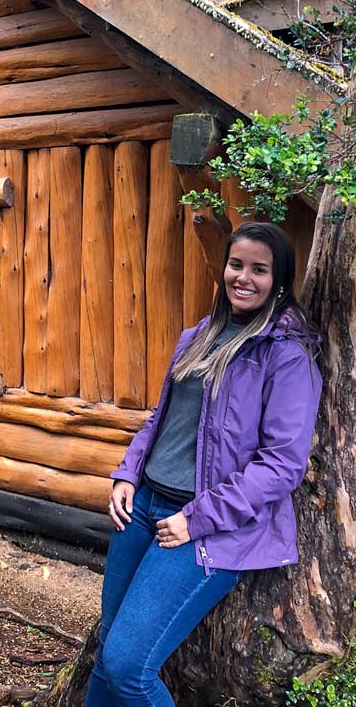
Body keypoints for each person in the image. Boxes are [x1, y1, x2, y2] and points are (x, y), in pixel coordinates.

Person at [86, 222, 322, 706]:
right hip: (142, 506)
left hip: (206, 528)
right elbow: (162, 418)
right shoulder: (198, 336)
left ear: (279, 281)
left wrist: (196, 519)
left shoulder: (288, 357)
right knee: (107, 651)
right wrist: (128, 474)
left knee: (130, 666)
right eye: (237, 265)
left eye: (260, 270)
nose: (244, 278)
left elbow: (281, 465)